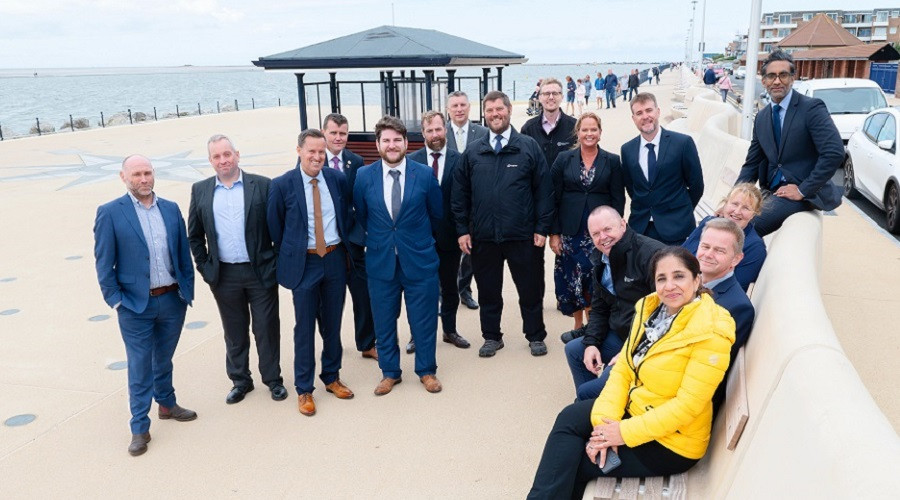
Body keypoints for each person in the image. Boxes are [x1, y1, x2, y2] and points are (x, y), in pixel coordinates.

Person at [528, 247, 735, 499]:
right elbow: (624, 369)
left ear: (697, 279)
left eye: (679, 276)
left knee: (574, 462)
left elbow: (688, 406)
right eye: (662, 278)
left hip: (672, 442)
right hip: (639, 408)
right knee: (570, 418)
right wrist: (604, 426)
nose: (669, 286)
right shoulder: (651, 310)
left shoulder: (711, 330)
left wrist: (622, 433)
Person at [93, 154, 197, 457]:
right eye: (137, 174)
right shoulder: (111, 213)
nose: (144, 179)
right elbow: (103, 263)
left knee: (163, 358)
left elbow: (182, 254)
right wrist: (116, 301)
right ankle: (139, 426)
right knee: (139, 366)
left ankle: (166, 403)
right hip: (135, 306)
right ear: (123, 177)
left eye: (148, 173)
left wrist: (186, 290)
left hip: (171, 300)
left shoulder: (170, 208)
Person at [452, 90, 554, 358]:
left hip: (523, 236)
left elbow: (544, 191)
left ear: (509, 110)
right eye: (490, 111)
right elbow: (460, 194)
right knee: (488, 291)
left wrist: (541, 228)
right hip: (484, 236)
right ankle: (492, 337)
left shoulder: (528, 147)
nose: (495, 114)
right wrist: (462, 230)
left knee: (530, 289)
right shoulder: (473, 152)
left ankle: (535, 335)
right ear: (484, 115)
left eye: (500, 109)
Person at [187, 135, 285, 405]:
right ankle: (240, 381)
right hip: (224, 276)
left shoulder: (262, 186)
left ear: (237, 155)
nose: (223, 160)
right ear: (210, 161)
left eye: (227, 154)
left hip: (260, 272)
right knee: (234, 331)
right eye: (216, 157)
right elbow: (194, 236)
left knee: (266, 328)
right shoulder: (201, 190)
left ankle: (273, 380)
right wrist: (206, 269)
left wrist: (274, 262)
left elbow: (280, 228)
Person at [267, 129, 355, 417]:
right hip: (303, 264)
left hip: (334, 260)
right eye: (311, 152)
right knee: (304, 328)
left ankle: (331, 377)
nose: (317, 157)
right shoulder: (282, 185)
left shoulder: (337, 179)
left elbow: (345, 216)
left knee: (332, 324)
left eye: (321, 152)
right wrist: (293, 254)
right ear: (299, 151)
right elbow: (276, 229)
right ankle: (304, 389)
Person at [354, 116, 444, 396]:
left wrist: (420, 243)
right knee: (383, 320)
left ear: (406, 143)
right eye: (386, 140)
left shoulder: (425, 174)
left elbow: (437, 214)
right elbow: (362, 215)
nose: (391, 145)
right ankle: (390, 372)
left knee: (424, 319)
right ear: (378, 144)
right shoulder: (363, 176)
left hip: (420, 260)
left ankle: (426, 370)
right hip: (381, 262)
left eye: (396, 140)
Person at [736, 49, 844, 236]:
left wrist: (803, 189)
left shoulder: (811, 108)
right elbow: (752, 164)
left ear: (792, 78)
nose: (777, 81)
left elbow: (834, 152)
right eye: (771, 76)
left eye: (783, 75)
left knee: (748, 226)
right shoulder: (762, 117)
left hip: (801, 194)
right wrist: (734, 198)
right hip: (771, 191)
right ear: (764, 81)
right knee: (721, 220)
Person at [563, 207, 664, 401]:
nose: (603, 237)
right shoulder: (600, 261)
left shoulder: (651, 255)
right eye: (596, 234)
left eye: (608, 229)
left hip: (644, 344)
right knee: (575, 350)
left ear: (623, 225)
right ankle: (593, 408)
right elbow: (599, 308)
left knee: (587, 394)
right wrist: (591, 343)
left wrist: (630, 353)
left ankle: (590, 409)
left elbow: (664, 315)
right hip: (620, 334)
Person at [549, 113, 625, 333]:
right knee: (572, 278)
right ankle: (578, 324)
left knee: (594, 278)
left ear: (600, 133)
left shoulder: (611, 160)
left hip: (599, 233)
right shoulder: (564, 159)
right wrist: (554, 233)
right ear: (578, 132)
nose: (589, 134)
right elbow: (552, 196)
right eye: (585, 130)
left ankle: (594, 324)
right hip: (570, 231)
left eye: (594, 130)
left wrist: (616, 231)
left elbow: (617, 198)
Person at [405, 110, 471, 354]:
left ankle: (449, 330)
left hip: (449, 237)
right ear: (423, 133)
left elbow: (464, 199)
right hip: (418, 240)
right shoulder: (411, 161)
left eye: (438, 129)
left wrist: (464, 231)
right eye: (430, 130)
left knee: (450, 287)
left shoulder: (459, 159)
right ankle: (416, 334)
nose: (435, 135)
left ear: (446, 130)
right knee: (418, 289)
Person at [320, 113, 377, 361]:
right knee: (329, 302)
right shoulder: (313, 160)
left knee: (363, 296)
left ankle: (367, 343)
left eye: (343, 133)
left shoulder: (356, 161)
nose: (338, 138)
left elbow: (361, 201)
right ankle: (330, 346)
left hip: (353, 243)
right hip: (327, 244)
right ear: (324, 133)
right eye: (333, 133)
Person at [621, 92, 704, 245]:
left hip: (677, 229)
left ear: (658, 111)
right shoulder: (627, 149)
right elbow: (632, 188)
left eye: (649, 110)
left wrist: (681, 211)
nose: (645, 116)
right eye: (639, 113)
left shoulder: (682, 143)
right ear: (634, 119)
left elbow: (696, 185)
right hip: (641, 229)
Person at [694, 218, 755, 411]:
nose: (708, 254)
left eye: (719, 250)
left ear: (736, 259)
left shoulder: (737, 307)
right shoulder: (688, 281)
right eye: (705, 246)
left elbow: (707, 373)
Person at [445, 91, 488, 311]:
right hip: (446, 201)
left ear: (469, 107)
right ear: (448, 109)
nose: (459, 109)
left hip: (476, 203)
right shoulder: (439, 132)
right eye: (455, 106)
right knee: (447, 249)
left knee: (472, 250)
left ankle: (465, 289)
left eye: (463, 105)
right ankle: (446, 291)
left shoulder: (483, 132)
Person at [682, 183, 767, 290]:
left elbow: (735, 288)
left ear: (753, 214)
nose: (737, 211)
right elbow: (682, 253)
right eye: (734, 204)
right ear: (725, 204)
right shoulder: (708, 222)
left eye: (746, 208)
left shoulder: (755, 248)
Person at [521, 78, 577, 169]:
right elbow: (523, 163)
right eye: (546, 94)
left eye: (555, 93)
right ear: (539, 97)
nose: (551, 97)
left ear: (562, 97)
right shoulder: (528, 128)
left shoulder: (575, 126)